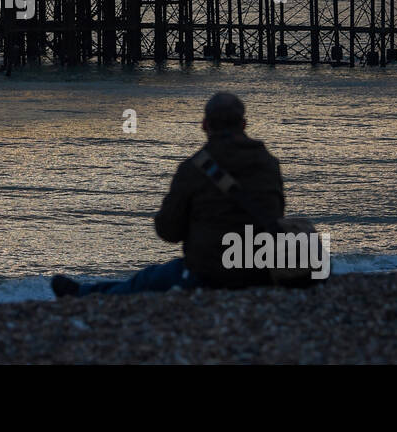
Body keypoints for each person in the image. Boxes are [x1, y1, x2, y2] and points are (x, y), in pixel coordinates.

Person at [51, 91, 284, 297]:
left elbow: (169, 231)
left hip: (210, 272)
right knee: (150, 279)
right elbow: (276, 212)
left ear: (204, 125)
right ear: (244, 124)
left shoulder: (196, 168)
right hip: (261, 269)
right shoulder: (270, 164)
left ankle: (83, 294)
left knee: (146, 280)